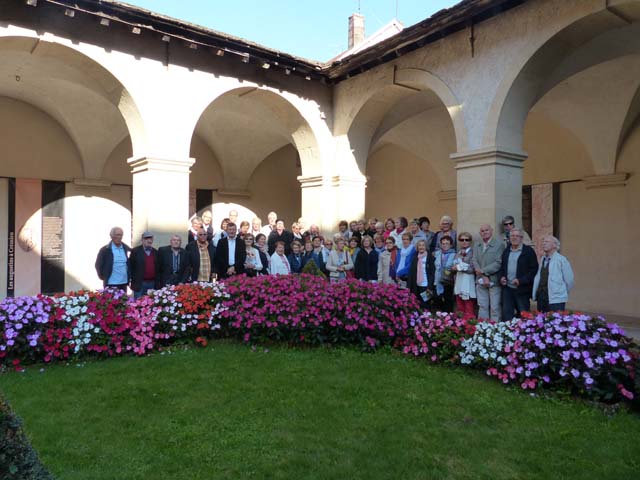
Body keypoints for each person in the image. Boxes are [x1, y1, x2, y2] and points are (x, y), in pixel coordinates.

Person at [499, 228, 539, 320]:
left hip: (522, 290)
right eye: (512, 236)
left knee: (524, 315)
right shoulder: (506, 251)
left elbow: (534, 270)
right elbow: (502, 267)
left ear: (521, 238)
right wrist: (501, 277)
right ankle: (508, 333)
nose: (514, 238)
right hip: (507, 289)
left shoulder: (528, 251)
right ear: (509, 238)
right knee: (507, 315)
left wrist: (521, 281)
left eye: (517, 236)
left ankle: (523, 333)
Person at [532, 235, 575, 312]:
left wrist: (561, 292)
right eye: (543, 242)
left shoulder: (561, 260)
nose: (543, 244)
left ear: (554, 245)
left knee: (555, 321)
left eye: (547, 242)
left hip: (556, 298)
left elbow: (569, 280)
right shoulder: (543, 259)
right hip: (542, 296)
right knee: (542, 321)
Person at [472, 224, 505, 321]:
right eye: (482, 231)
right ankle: (483, 330)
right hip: (480, 280)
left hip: (494, 281)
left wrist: (483, 271)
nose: (484, 232)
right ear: (480, 233)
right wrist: (482, 275)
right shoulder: (477, 245)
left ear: (491, 231)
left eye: (486, 230)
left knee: (495, 308)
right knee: (482, 307)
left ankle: (495, 331)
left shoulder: (499, 245)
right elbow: (474, 260)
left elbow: (498, 262)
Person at [95, 226, 131, 290]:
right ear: (111, 236)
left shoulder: (126, 249)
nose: (119, 237)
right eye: (117, 235)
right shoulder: (105, 250)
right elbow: (98, 265)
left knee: (124, 300)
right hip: (110, 284)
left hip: (124, 283)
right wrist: (104, 277)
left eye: (120, 235)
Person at [128, 231, 159, 299]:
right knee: (138, 304)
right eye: (146, 238)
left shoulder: (156, 252)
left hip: (152, 283)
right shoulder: (135, 251)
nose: (149, 240)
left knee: (152, 304)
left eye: (150, 239)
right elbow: (130, 267)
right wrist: (130, 281)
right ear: (142, 240)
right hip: (140, 283)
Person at [452, 232, 476, 318]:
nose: (464, 241)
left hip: (468, 282)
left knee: (468, 305)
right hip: (459, 281)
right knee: (459, 305)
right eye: (462, 240)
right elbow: (453, 266)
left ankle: (469, 326)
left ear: (470, 241)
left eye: (467, 240)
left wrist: (459, 267)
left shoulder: (473, 253)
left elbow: (473, 268)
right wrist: (454, 268)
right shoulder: (457, 253)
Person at [407, 239, 436, 309]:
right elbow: (411, 272)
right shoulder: (415, 256)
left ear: (426, 247)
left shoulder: (430, 257)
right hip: (416, 285)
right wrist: (409, 286)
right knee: (417, 304)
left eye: (423, 245)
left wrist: (430, 286)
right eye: (419, 245)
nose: (421, 247)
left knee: (425, 304)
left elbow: (432, 273)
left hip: (426, 285)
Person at [434, 235, 456, 312]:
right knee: (437, 300)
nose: (445, 245)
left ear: (450, 245)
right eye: (443, 243)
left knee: (448, 301)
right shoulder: (436, 254)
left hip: (448, 281)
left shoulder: (454, 255)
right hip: (437, 280)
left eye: (447, 243)